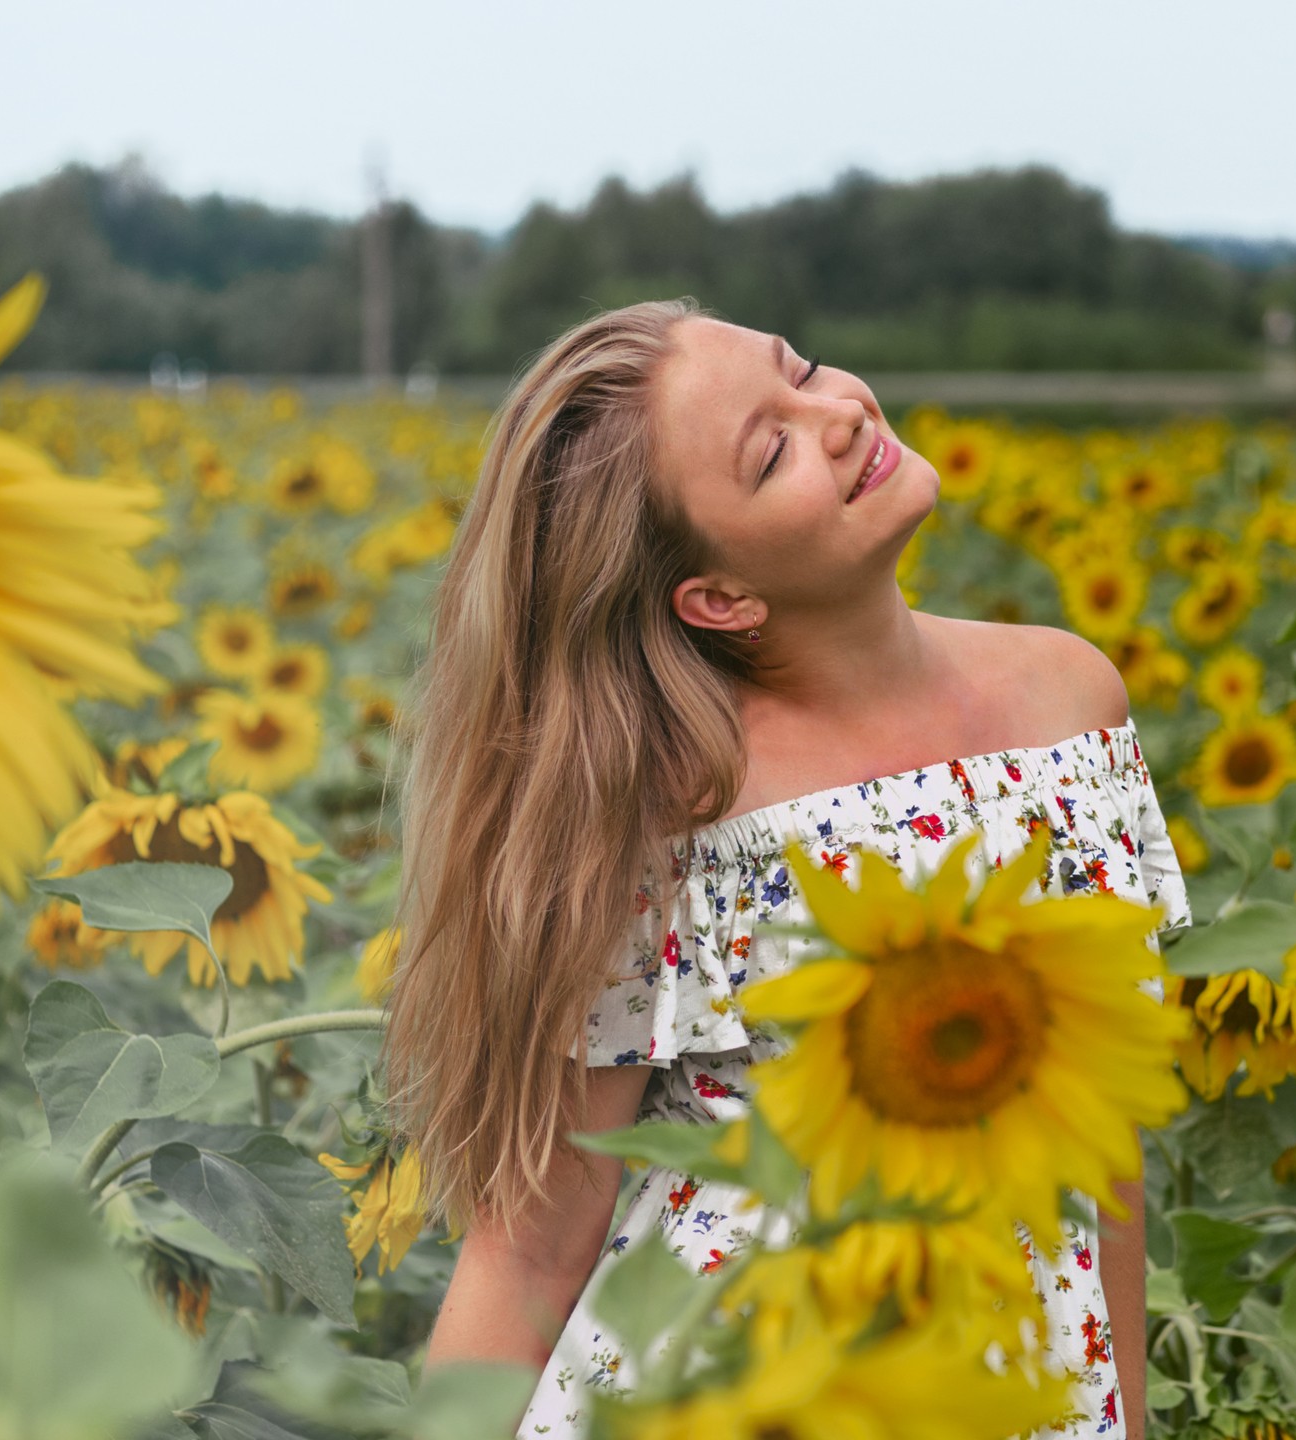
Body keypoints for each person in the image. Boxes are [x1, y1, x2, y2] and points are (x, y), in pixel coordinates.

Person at [388, 297, 1191, 1439]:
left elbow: (1103, 1137)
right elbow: (531, 1247)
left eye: (801, 367)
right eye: (769, 452)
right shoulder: (674, 810)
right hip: (730, 1393)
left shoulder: (1071, 697)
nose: (838, 413)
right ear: (720, 597)